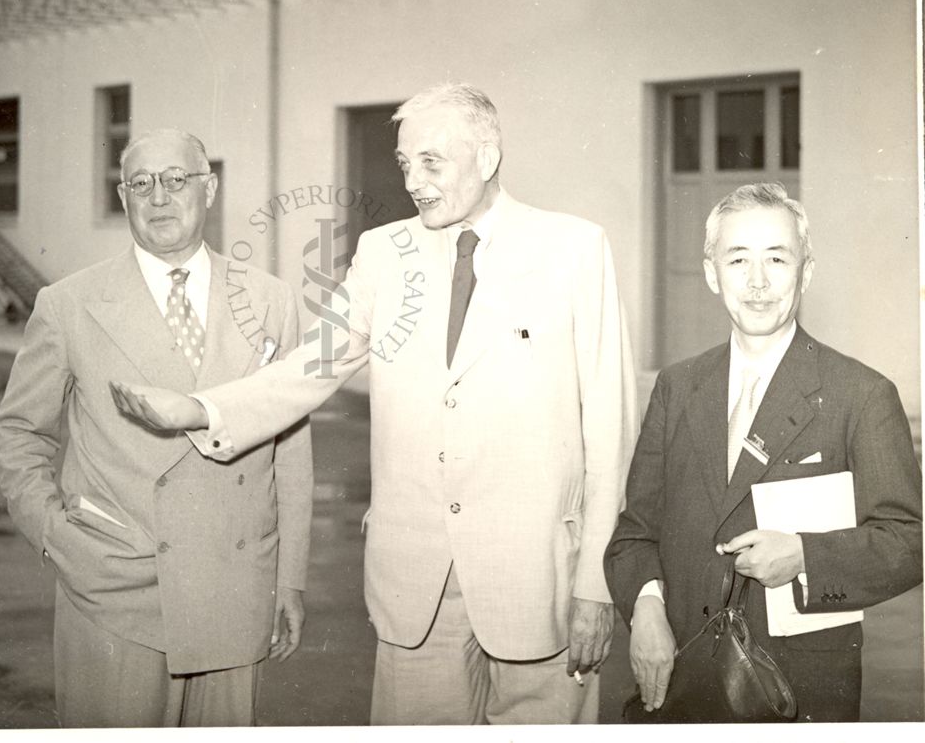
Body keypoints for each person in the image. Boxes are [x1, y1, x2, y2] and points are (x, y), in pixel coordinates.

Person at [112, 83, 637, 724]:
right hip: (414, 582)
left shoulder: (573, 250)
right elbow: (310, 367)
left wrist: (594, 585)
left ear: (488, 157)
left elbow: (610, 431)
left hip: (539, 583)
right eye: (405, 163)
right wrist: (201, 410)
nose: (413, 180)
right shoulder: (385, 253)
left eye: (432, 163)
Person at [0, 129, 312, 728]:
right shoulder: (68, 304)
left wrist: (289, 578)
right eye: (141, 184)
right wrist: (56, 535)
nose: (159, 197)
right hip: (115, 590)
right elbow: (18, 434)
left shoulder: (271, 301)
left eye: (175, 180)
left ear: (209, 188)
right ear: (122, 196)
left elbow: (290, 451)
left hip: (236, 592)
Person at [604, 182, 923, 722]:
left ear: (807, 271)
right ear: (711, 274)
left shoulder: (861, 394)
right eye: (737, 259)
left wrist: (805, 555)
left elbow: (909, 543)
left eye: (776, 258)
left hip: (796, 691)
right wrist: (648, 607)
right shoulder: (677, 387)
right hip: (680, 679)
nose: (757, 282)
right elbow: (635, 534)